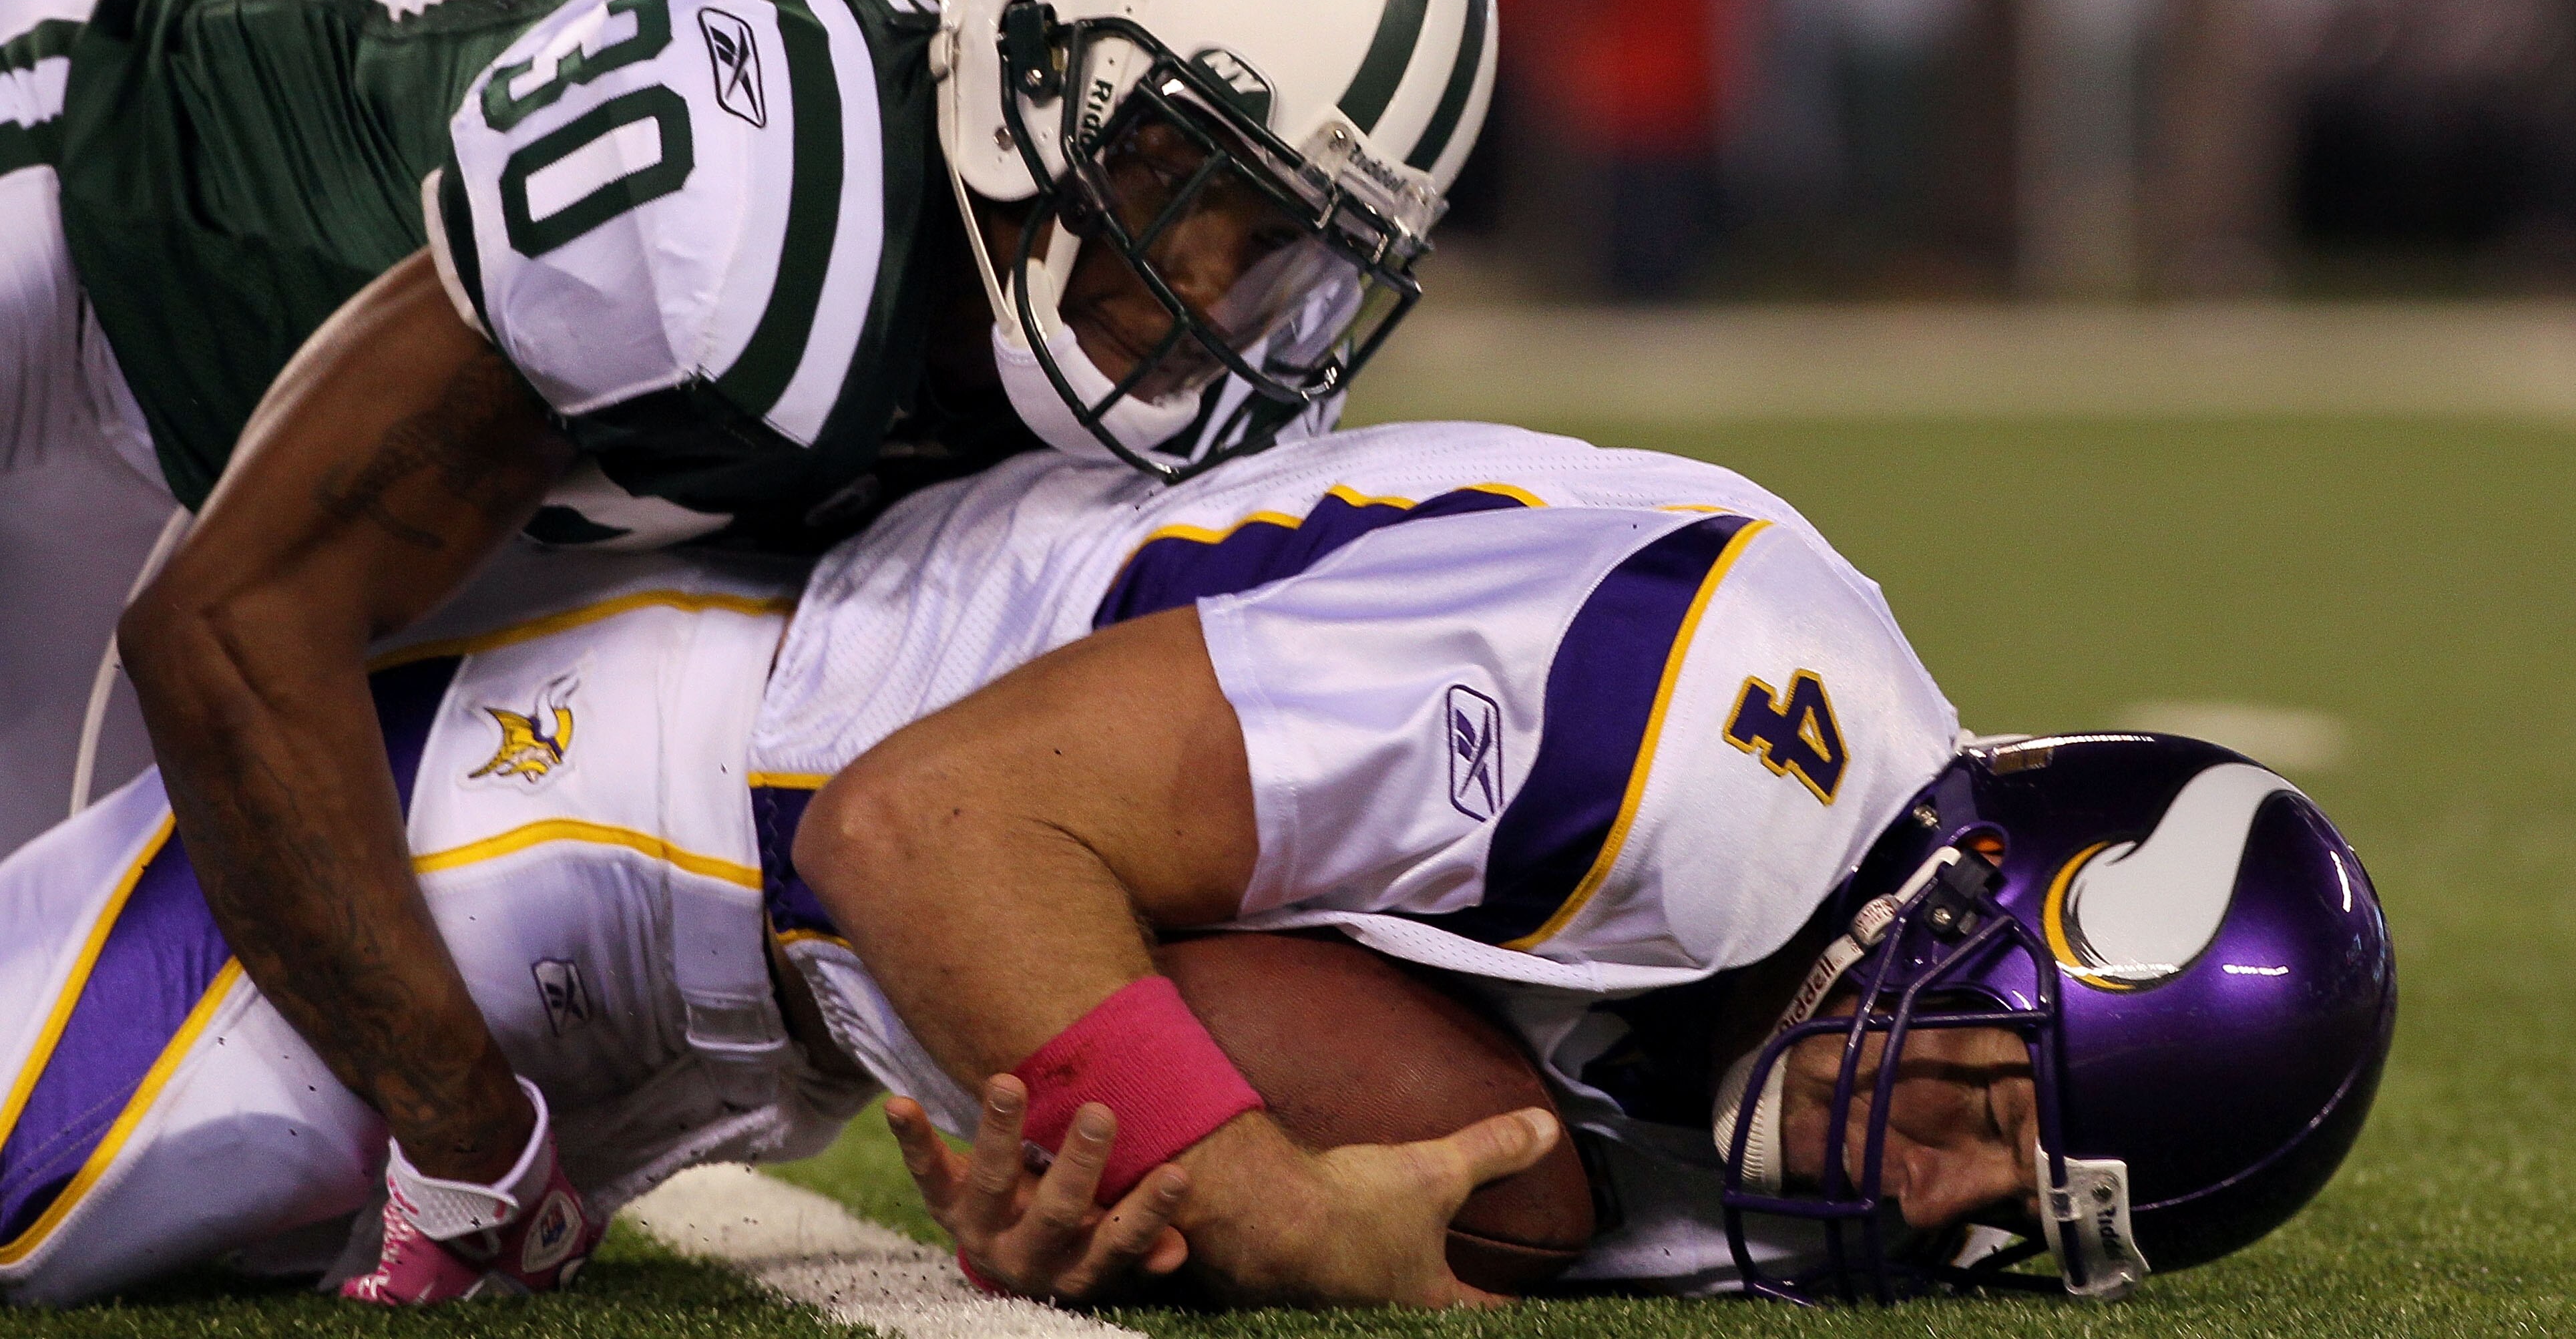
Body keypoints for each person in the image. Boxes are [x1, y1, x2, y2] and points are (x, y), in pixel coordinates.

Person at [0, 0, 1495, 1299]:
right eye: (1194, 178)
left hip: (306, 549)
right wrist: (471, 1141)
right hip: (91, 219)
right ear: (1052, 65)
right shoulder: (767, 177)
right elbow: (229, 633)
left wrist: (1036, 1120)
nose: (1211, 287)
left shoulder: (1160, 418)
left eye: (1289, 250)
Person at [0, 421, 2393, 1306]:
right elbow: (925, 828)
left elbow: (1131, 997)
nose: (1940, 1189)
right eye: (1990, 1101)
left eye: (2010, 1225)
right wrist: (1249, 1207)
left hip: (734, 1029)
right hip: (620, 776)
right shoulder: (1708, 736)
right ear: (1983, 894)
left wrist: (1117, 1183)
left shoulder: (1734, 1125)